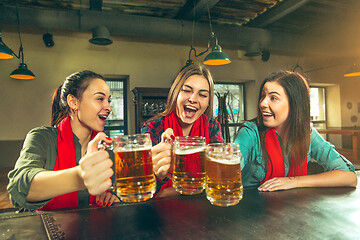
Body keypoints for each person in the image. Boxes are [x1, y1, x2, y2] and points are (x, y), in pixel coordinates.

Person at [7, 70, 119, 211]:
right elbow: (19, 188)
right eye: (100, 99)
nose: (108, 107)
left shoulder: (107, 147)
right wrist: (80, 177)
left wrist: (110, 198)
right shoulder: (42, 138)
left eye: (109, 100)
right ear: (73, 102)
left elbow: (118, 191)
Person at [234, 71, 357, 191]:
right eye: (263, 96)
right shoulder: (250, 132)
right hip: (252, 208)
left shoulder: (306, 133)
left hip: (294, 208)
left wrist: (293, 181)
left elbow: (349, 177)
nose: (262, 103)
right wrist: (228, 157)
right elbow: (230, 165)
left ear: (294, 104)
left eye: (273, 98)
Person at [141, 64, 223, 193]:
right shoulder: (154, 127)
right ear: (175, 93)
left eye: (202, 95)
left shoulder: (212, 126)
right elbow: (142, 188)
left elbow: (220, 175)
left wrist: (175, 191)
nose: (193, 99)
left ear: (208, 103)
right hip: (161, 208)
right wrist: (157, 175)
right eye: (187, 90)